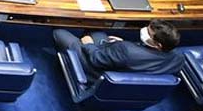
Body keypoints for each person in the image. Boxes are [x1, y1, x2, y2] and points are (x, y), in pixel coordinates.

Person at [52, 20, 184, 75]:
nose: (143, 31)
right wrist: (129, 44)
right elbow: (147, 58)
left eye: (148, 33)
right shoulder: (178, 59)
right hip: (120, 63)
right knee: (95, 30)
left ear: (158, 44)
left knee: (59, 32)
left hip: (97, 69)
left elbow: (95, 59)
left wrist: (88, 44)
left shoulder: (126, 50)